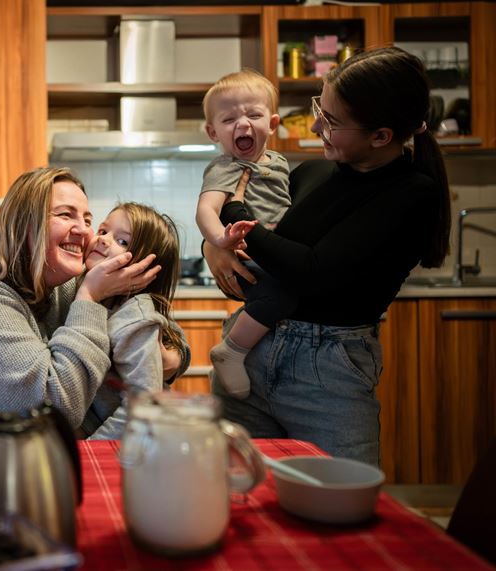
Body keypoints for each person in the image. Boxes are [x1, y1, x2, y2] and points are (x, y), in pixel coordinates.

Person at [205, 47, 451, 465]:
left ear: (381, 136)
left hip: (328, 372)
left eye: (332, 120)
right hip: (249, 354)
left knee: (339, 505)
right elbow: (268, 250)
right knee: (239, 496)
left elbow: (312, 272)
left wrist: (235, 213)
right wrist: (215, 247)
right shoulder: (312, 172)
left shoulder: (411, 194)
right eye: (321, 106)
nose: (316, 123)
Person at [0, 167, 162, 429]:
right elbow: (54, 410)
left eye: (88, 220)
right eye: (66, 215)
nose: (84, 231)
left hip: (33, 458)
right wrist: (89, 298)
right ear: (23, 224)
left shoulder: (60, 283)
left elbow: (133, 311)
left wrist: (173, 351)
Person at [196, 69, 292, 400]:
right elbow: (206, 210)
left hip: (277, 250)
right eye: (229, 119)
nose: (243, 124)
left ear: (274, 124)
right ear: (213, 132)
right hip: (252, 256)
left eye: (254, 114)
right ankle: (232, 350)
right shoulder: (226, 167)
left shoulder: (279, 162)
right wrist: (218, 240)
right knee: (283, 290)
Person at [79, 203, 191, 440]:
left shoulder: (135, 319)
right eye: (103, 231)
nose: (104, 240)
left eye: (123, 242)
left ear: (145, 269)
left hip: (129, 445)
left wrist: (93, 449)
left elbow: (143, 406)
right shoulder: (84, 289)